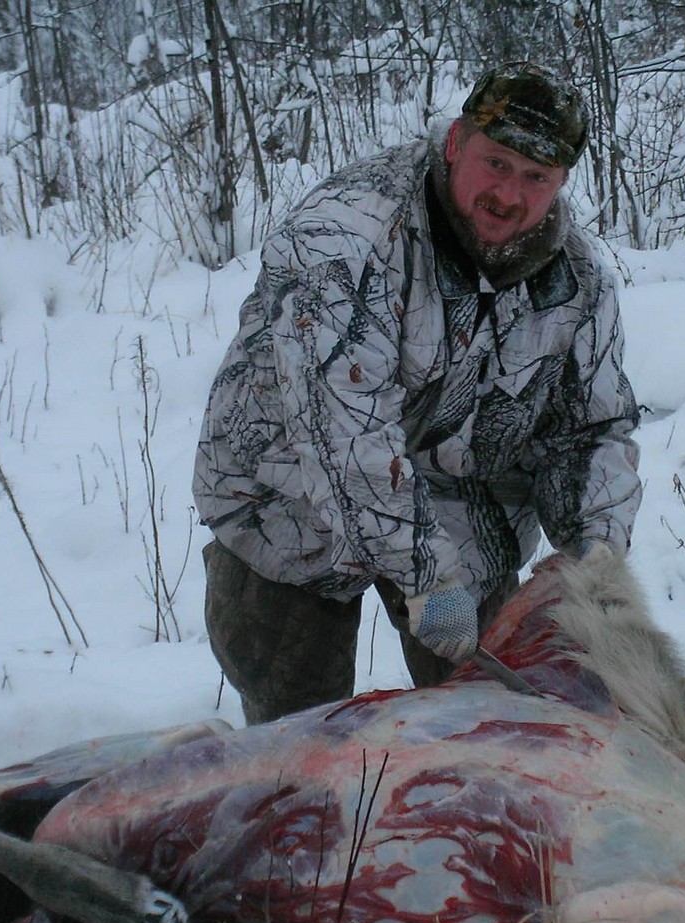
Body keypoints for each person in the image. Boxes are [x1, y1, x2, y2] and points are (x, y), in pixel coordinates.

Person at [192, 62, 643, 725]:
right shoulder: (346, 236)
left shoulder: (576, 282)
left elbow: (590, 432)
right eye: (497, 162)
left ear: (561, 183)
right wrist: (426, 581)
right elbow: (339, 437)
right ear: (456, 142)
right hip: (282, 494)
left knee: (501, 726)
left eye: (535, 178)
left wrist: (595, 569)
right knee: (298, 737)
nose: (509, 194)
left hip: (453, 495)